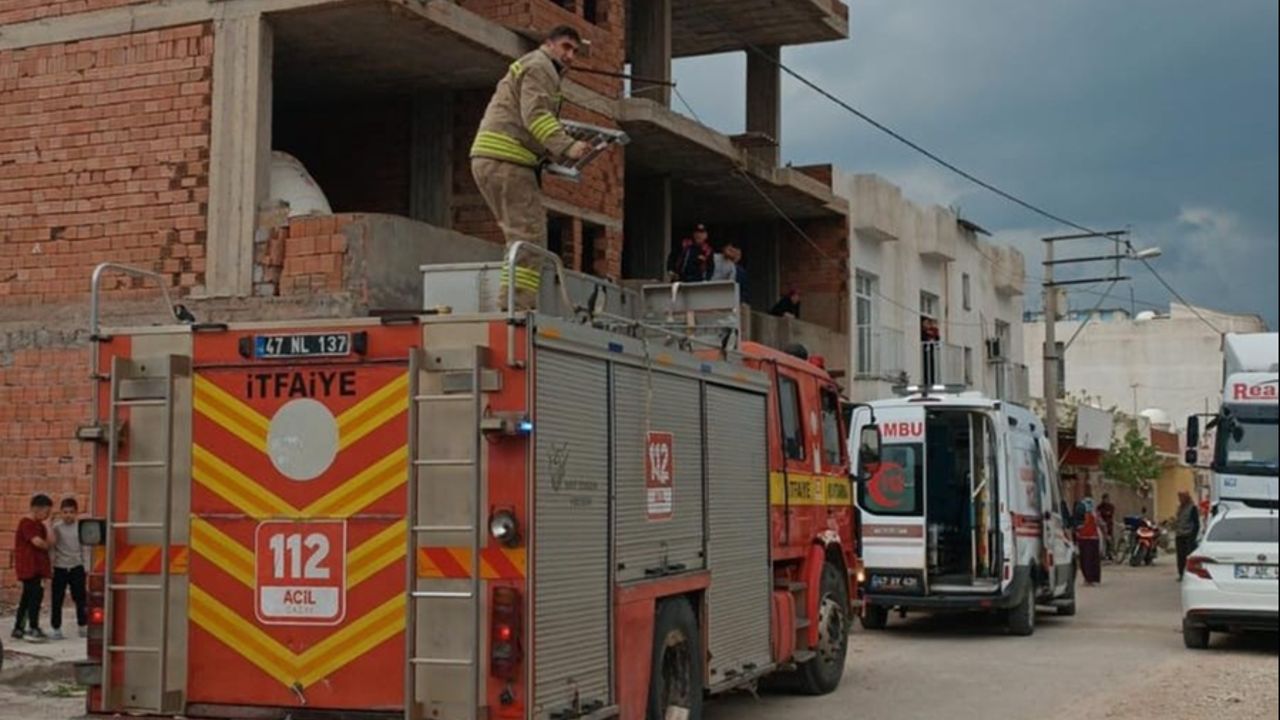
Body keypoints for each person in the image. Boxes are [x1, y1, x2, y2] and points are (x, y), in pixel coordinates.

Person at [470, 25, 591, 309]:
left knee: (518, 237)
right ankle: (517, 309)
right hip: (507, 161)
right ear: (548, 44)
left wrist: (547, 154)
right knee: (529, 238)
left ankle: (511, 304)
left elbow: (527, 121)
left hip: (494, 159)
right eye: (565, 47)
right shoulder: (540, 68)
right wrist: (567, 146)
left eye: (574, 50)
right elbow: (535, 116)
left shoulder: (533, 66)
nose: (570, 55)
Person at [12, 494, 53, 642]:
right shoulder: (26, 523)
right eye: (46, 512)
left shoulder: (40, 525)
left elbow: (50, 543)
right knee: (33, 598)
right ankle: (32, 627)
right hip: (29, 567)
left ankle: (19, 627)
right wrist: (48, 528)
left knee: (28, 597)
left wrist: (47, 528)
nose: (47, 516)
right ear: (36, 509)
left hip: (38, 568)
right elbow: (39, 543)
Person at [49, 497, 89, 640]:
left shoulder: (80, 527)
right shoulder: (56, 528)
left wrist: (86, 566)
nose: (68, 515)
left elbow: (84, 548)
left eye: (71, 512)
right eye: (65, 512)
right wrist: (51, 566)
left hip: (76, 566)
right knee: (57, 599)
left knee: (80, 598)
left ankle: (82, 626)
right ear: (61, 513)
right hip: (60, 567)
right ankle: (56, 628)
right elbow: (52, 548)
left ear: (76, 513)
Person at [1074, 487, 1103, 585]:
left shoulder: (1080, 506)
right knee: (1093, 559)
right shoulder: (1094, 508)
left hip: (1084, 537)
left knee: (1086, 559)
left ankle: (1088, 579)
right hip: (1093, 537)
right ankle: (1093, 578)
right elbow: (1098, 522)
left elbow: (1077, 523)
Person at [1174, 490, 1201, 581]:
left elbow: (1196, 524)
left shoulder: (1192, 508)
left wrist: (1192, 537)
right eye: (1179, 497)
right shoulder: (1180, 508)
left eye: (1181, 497)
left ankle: (1189, 575)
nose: (1180, 499)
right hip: (1179, 535)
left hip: (1188, 536)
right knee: (1180, 557)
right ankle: (1181, 574)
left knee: (1188, 556)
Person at [1098, 492, 1117, 560]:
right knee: (1103, 540)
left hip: (1109, 525)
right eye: (1105, 499)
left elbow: (1110, 513)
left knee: (1110, 540)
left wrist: (1106, 514)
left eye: (1107, 499)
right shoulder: (1100, 507)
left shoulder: (1111, 506)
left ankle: (1110, 554)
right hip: (1102, 526)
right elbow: (1100, 514)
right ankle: (1104, 554)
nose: (1106, 500)